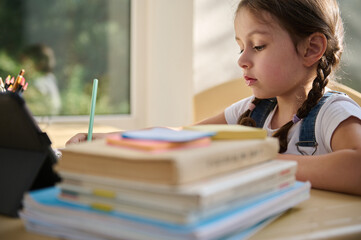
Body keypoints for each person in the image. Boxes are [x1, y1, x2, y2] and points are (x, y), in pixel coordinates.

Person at [66, 0, 361, 195]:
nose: (242, 60)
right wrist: (108, 141)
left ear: (311, 49)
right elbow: (183, 137)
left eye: (257, 46)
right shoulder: (253, 110)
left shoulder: (332, 113)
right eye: (240, 47)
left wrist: (258, 161)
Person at [21, 44, 61, 115]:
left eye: (27, 62)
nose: (24, 66)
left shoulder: (39, 82)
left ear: (40, 64)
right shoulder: (50, 78)